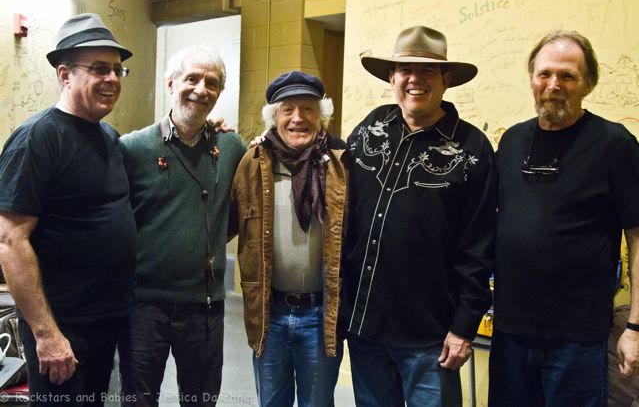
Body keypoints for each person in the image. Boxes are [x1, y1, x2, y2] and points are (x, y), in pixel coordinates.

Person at [342, 25, 496, 406]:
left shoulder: (472, 148)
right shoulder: (371, 127)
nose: (414, 79)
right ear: (392, 78)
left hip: (431, 339)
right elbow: (336, 189)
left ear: (446, 80)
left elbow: (480, 247)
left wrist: (464, 327)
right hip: (364, 330)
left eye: (427, 71)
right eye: (405, 70)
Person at [489, 30, 639, 406]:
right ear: (532, 79)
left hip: (577, 340)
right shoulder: (512, 142)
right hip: (509, 333)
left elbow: (638, 238)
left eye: (567, 76)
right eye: (545, 74)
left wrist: (635, 328)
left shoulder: (614, 144)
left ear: (587, 83)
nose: (554, 85)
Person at [0, 13, 136, 405]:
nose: (112, 79)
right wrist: (46, 334)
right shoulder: (38, 138)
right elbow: (10, 241)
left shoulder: (108, 137)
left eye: (117, 70)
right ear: (65, 74)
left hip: (105, 322)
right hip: (63, 328)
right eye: (99, 69)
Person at [117, 46, 246, 406]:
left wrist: (208, 239)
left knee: (201, 400)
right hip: (144, 306)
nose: (201, 89)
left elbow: (240, 212)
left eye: (212, 83)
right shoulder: (133, 149)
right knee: (138, 400)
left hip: (205, 307)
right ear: (171, 84)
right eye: (192, 79)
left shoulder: (232, 147)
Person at [229, 71, 347, 406]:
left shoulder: (341, 165)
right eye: (287, 110)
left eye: (308, 108)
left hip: (320, 316)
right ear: (274, 117)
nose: (298, 118)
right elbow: (226, 222)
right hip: (270, 315)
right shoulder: (253, 163)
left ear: (320, 116)